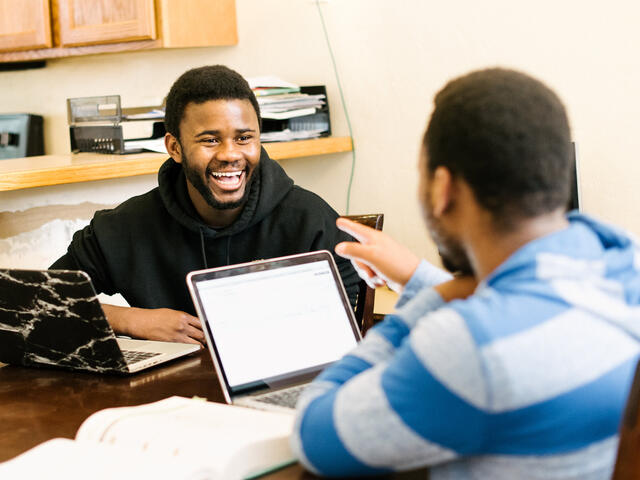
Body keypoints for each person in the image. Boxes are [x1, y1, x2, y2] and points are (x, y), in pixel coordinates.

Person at [291, 68, 640, 478]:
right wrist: (419, 277)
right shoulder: (621, 266)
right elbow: (518, 315)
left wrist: (426, 304)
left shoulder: (468, 348)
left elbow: (315, 436)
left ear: (443, 188)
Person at [51, 65, 359, 345]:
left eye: (244, 138)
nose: (229, 154)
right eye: (210, 140)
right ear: (175, 147)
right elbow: (33, 303)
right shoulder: (123, 227)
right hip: (163, 397)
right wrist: (129, 319)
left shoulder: (311, 223)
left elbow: (343, 339)